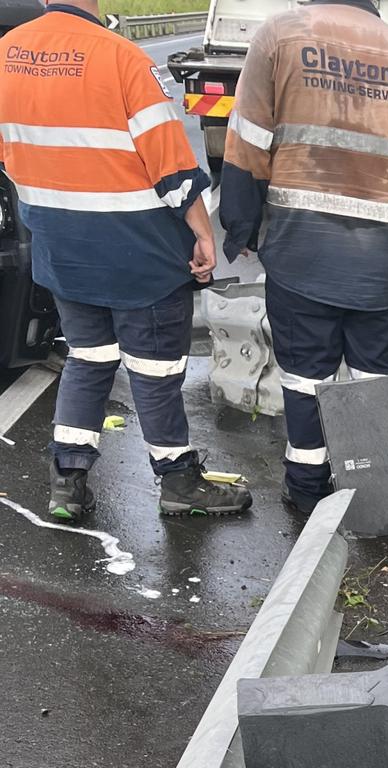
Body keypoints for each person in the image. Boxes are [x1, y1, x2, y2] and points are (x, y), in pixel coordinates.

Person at [0, 0, 253, 520]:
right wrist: (202, 233)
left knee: (88, 359)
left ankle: (67, 482)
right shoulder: (123, 59)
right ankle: (179, 481)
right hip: (139, 252)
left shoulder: (6, 53)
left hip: (60, 246)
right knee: (155, 369)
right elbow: (172, 165)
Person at [220, 0, 388, 514]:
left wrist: (244, 227)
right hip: (386, 261)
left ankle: (307, 491)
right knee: (375, 382)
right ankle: (376, 502)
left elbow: (247, 144)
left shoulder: (280, 36)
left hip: (301, 252)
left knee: (305, 378)